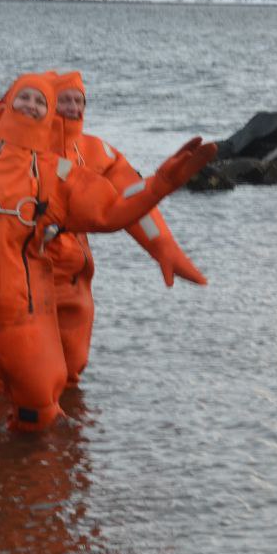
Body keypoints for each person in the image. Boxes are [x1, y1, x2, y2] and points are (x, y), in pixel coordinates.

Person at [0, 34, 216, 432]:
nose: (45, 106)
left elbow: (119, 206)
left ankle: (42, 473)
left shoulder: (79, 163)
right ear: (11, 103)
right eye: (31, 98)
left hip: (46, 293)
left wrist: (163, 213)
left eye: (50, 101)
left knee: (52, 395)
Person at [41, 71, 206, 391]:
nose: (73, 107)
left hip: (74, 278)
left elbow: (131, 198)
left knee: (71, 370)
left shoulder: (94, 151)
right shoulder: (22, 146)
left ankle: (66, 434)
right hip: (27, 272)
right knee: (17, 373)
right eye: (64, 100)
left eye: (78, 101)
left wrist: (163, 247)